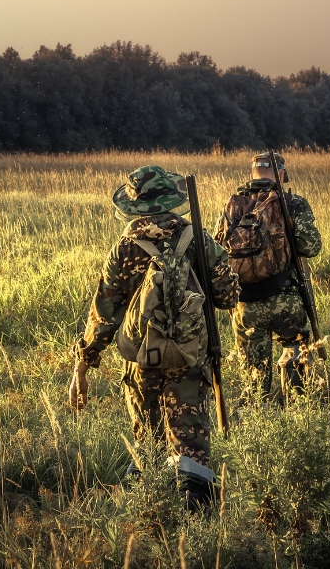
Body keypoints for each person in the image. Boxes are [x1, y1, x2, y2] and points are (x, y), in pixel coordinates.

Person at [68, 165, 240, 506]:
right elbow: (227, 298)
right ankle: (199, 530)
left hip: (141, 365)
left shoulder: (123, 249)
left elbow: (103, 317)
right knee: (192, 453)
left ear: (134, 205)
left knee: (148, 447)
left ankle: (153, 524)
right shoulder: (198, 239)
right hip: (191, 362)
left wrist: (82, 368)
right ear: (171, 199)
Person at [216, 151, 322, 403]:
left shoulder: (234, 205)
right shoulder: (292, 203)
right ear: (281, 174)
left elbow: (219, 251)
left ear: (252, 173)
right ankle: (299, 409)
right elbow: (311, 247)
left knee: (254, 373)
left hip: (246, 304)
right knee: (295, 353)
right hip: (287, 301)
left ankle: (258, 414)